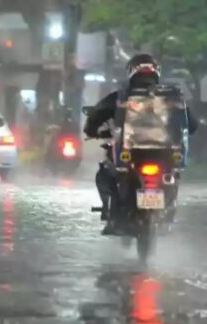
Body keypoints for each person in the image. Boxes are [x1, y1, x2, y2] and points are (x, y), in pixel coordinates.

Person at [84, 53, 197, 234]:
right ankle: (164, 212)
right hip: (165, 157)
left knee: (105, 173)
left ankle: (113, 215)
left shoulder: (120, 97)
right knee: (172, 178)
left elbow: (97, 115)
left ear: (131, 72)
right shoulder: (172, 98)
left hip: (131, 155)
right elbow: (191, 125)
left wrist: (91, 130)